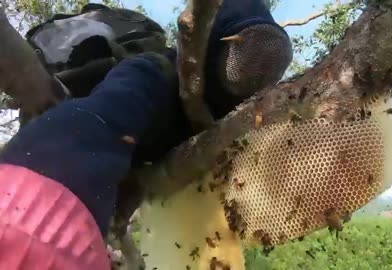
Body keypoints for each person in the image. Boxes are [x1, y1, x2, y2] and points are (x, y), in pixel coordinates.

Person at [0, 0, 292, 269]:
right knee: (140, 86)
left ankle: (239, 41)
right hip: (109, 121)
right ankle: (239, 32)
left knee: (129, 98)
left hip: (100, 133)